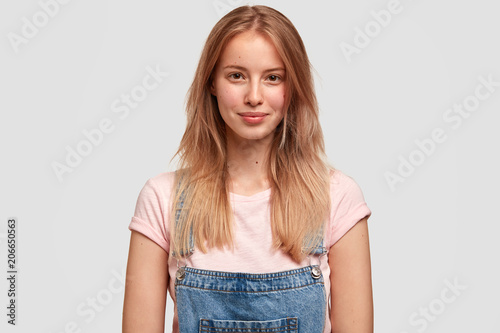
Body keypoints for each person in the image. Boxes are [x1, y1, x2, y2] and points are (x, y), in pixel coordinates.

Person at [123, 5, 373, 333]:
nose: (254, 96)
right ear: (212, 82)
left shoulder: (337, 198)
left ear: (292, 87)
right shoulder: (163, 199)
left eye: (273, 77)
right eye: (237, 76)